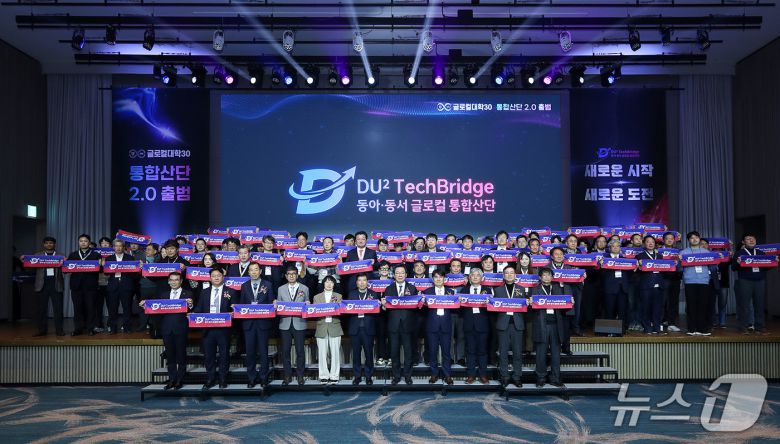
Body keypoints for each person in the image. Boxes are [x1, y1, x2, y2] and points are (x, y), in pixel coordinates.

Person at [140, 271, 192, 390]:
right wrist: (145, 305)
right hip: (166, 329)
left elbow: (192, 308)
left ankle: (180, 379)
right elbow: (155, 307)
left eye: (176, 280)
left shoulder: (188, 294)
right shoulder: (163, 294)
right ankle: (172, 379)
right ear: (168, 282)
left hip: (181, 329)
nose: (174, 282)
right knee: (170, 356)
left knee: (181, 355)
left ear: (181, 281)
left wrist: (191, 305)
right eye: (171, 280)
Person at [194, 267, 234, 389]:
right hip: (208, 329)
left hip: (224, 329)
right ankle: (210, 378)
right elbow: (199, 308)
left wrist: (233, 312)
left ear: (223, 277)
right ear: (210, 278)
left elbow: (235, 309)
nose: (216, 278)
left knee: (224, 355)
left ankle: (222, 379)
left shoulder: (230, 291)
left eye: (218, 275)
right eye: (213, 276)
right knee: (209, 355)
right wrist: (193, 313)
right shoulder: (204, 292)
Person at [239, 262, 275, 388]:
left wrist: (274, 303)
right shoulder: (244, 286)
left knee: (263, 352)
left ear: (260, 271)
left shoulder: (268, 285)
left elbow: (271, 302)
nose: (254, 272)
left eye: (256, 269)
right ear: (248, 272)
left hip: (263, 323)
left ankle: (264, 377)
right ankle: (252, 378)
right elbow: (242, 304)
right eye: (251, 270)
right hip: (248, 324)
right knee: (250, 352)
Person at [382, 264, 417, 385]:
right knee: (394, 352)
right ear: (394, 275)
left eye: (402, 273)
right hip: (394, 325)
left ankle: (407, 376)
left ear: (406, 275)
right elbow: (385, 308)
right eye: (397, 273)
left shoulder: (412, 288)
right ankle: (396, 376)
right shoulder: (388, 289)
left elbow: (416, 307)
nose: (400, 275)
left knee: (408, 352)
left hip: (408, 325)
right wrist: (383, 305)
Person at [530, 267, 565, 388]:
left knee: (556, 354)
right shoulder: (535, 290)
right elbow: (531, 308)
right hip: (541, 325)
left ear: (552, 277)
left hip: (555, 325)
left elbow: (564, 307)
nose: (546, 277)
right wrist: (530, 303)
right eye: (544, 275)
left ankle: (555, 378)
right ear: (540, 277)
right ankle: (541, 378)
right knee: (541, 353)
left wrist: (570, 302)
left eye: (549, 275)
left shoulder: (558, 289)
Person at [277, 266, 310, 386]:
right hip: (285, 324)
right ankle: (287, 376)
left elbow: (307, 305)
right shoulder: (280, 289)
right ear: (286, 276)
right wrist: (276, 305)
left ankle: (300, 376)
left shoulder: (305, 288)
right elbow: (279, 307)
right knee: (285, 351)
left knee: (300, 351)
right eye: (289, 274)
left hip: (299, 323)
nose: (291, 276)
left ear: (297, 275)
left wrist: (308, 304)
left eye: (293, 273)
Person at [494, 265, 525, 387]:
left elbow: (525, 307)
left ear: (515, 275)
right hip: (503, 324)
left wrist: (528, 303)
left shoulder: (521, 289)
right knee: (503, 353)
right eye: (507, 273)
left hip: (517, 324)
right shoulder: (497, 290)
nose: (509, 275)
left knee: (517, 353)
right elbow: (494, 307)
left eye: (511, 272)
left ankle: (517, 377)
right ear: (503, 275)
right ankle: (505, 377)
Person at [732, 233, 770, 334]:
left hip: (760, 281)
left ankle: (760, 327)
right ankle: (743, 327)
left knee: (759, 305)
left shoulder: (761, 253)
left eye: (753, 238)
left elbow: (767, 266)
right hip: (745, 281)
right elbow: (733, 268)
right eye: (748, 239)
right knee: (744, 305)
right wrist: (738, 263)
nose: (751, 240)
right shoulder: (739, 253)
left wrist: (774, 262)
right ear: (743, 242)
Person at [422, 270, 455, 385]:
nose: (438, 279)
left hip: (446, 325)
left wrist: (458, 300)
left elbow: (455, 307)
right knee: (432, 351)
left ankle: (447, 375)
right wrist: (422, 303)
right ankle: (434, 374)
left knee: (446, 352)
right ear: (433, 279)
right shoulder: (427, 292)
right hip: (432, 326)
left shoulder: (451, 292)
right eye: (436, 277)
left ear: (444, 279)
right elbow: (422, 308)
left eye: (441, 277)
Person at [680, 231, 715, 336]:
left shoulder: (706, 252)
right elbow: (678, 269)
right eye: (692, 238)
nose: (694, 239)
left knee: (703, 305)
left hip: (703, 281)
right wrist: (678, 261)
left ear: (699, 239)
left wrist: (717, 260)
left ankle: (702, 329)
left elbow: (713, 268)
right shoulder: (683, 253)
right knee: (691, 306)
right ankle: (691, 329)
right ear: (688, 240)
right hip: (690, 281)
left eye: (696, 237)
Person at [66, 234, 102, 336]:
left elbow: (101, 270)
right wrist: (63, 264)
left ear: (89, 243)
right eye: (81, 241)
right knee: (77, 308)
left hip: (91, 286)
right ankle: (78, 329)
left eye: (85, 241)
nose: (83, 243)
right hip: (76, 286)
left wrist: (101, 265)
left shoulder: (96, 255)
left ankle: (91, 328)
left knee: (90, 308)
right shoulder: (73, 255)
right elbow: (66, 269)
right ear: (78, 242)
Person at [462, 268, 492, 384]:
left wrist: (489, 303)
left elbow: (492, 308)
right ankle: (471, 375)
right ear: (469, 277)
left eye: (477, 275)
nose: (475, 277)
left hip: (483, 325)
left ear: (482, 278)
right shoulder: (464, 290)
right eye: (473, 275)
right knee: (470, 351)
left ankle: (483, 375)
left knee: (482, 351)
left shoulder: (487, 290)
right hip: (469, 324)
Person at [30, 236, 65, 337]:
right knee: (41, 310)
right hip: (42, 285)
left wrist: (65, 263)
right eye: (47, 243)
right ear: (44, 244)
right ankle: (42, 330)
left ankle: (59, 330)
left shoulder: (61, 256)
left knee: (58, 309)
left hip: (56, 285)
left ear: (55, 244)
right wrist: (25, 261)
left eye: (51, 243)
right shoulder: (37, 255)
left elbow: (66, 270)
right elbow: (32, 269)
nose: (49, 244)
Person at [348, 273, 378, 385]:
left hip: (368, 328)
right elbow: (347, 310)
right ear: (356, 283)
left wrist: (379, 305)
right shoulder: (351, 294)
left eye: (364, 280)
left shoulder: (373, 294)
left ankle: (369, 376)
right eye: (359, 280)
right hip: (355, 328)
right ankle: (357, 376)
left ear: (367, 282)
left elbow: (377, 311)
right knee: (356, 354)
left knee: (369, 353)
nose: (361, 282)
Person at [313, 275, 343, 384]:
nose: (329, 284)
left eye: (331, 282)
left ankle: (334, 376)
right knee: (322, 353)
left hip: (335, 326)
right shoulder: (317, 297)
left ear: (334, 284)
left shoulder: (339, 296)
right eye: (327, 282)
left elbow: (341, 311)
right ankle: (323, 376)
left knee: (335, 353)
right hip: (322, 326)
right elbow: (314, 312)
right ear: (323, 284)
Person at [105, 239, 139, 334]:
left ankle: (127, 327)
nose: (118, 248)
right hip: (113, 286)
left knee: (127, 308)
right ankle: (113, 328)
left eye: (120, 246)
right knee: (112, 308)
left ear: (123, 247)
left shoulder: (130, 258)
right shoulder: (109, 258)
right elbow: (106, 273)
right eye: (116, 246)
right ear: (113, 247)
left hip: (126, 285)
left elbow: (134, 273)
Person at [635, 236, 666, 334]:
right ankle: (647, 327)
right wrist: (639, 266)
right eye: (648, 242)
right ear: (644, 244)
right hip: (646, 285)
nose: (650, 243)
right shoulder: (639, 256)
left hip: (659, 284)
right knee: (646, 307)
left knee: (658, 308)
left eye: (652, 241)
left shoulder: (660, 256)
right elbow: (637, 272)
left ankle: (657, 327)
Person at [600, 240, 630, 334]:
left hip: (623, 288)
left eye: (618, 246)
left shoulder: (625, 259)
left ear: (620, 248)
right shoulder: (605, 259)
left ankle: (621, 330)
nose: (616, 248)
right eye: (613, 246)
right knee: (609, 310)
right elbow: (600, 275)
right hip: (609, 288)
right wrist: (601, 265)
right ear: (609, 248)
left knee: (622, 310)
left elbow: (630, 274)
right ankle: (610, 331)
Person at [661, 231, 683, 332]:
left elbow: (681, 266)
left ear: (674, 240)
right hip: (663, 278)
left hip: (675, 279)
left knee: (673, 301)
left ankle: (671, 323)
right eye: (667, 238)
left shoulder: (678, 252)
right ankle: (661, 321)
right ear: (663, 240)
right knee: (662, 301)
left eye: (671, 239)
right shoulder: (659, 251)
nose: (669, 240)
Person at [138, 243, 161, 335]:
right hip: (144, 287)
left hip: (156, 287)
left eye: (149, 249)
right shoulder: (140, 260)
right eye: (146, 249)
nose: (147, 251)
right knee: (143, 307)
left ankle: (153, 326)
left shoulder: (159, 261)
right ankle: (142, 326)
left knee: (155, 307)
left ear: (155, 251)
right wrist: (139, 269)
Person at [447, 258, 466, 366]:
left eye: (458, 266)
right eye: (454, 266)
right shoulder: (444, 279)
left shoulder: (466, 279)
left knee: (461, 336)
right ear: (450, 267)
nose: (456, 268)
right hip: (448, 312)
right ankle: (449, 358)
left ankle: (460, 358)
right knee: (449, 336)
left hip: (461, 312)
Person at [373, 260, 391, 366]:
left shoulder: (393, 282)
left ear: (389, 271)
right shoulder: (373, 283)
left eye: (386, 269)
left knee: (391, 335)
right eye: (382, 269)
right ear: (379, 271)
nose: (384, 270)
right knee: (380, 335)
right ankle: (381, 356)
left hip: (390, 313)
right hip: (378, 313)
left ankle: (390, 357)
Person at [95, 236, 112, 333]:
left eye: (106, 243)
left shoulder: (113, 255)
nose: (104, 244)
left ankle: (110, 325)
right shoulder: (96, 255)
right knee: (98, 307)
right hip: (99, 284)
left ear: (110, 245)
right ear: (100, 245)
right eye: (102, 243)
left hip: (110, 284)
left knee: (111, 306)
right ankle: (99, 325)